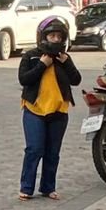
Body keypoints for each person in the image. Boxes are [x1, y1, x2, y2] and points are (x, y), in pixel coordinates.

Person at [17, 16, 79, 200]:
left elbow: (76, 80)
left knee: (53, 152)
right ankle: (26, 187)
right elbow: (24, 79)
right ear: (43, 36)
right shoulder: (31, 56)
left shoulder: (64, 58)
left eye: (59, 37)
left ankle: (48, 187)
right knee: (34, 149)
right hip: (34, 110)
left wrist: (65, 62)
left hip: (59, 112)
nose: (56, 40)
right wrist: (42, 65)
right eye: (52, 36)